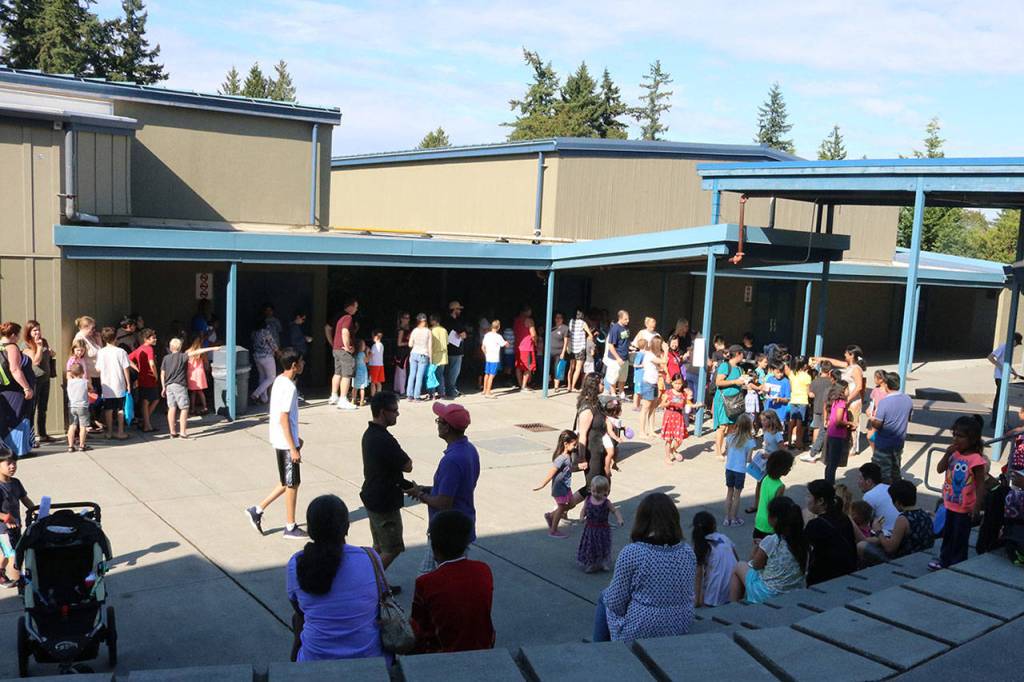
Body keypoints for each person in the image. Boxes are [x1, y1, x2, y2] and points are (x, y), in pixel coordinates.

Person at [286, 494, 382, 660]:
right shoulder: (370, 557)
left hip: (314, 661)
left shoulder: (297, 562)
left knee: (298, 619)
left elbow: (298, 608)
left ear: (311, 530)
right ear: (346, 527)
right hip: (370, 660)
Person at [593, 492, 696, 641]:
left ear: (642, 519)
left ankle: (599, 650)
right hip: (680, 624)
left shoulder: (633, 553)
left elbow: (615, 603)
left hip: (643, 628)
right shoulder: (687, 552)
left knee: (605, 597)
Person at [408, 402, 480, 574]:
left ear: (447, 428)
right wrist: (428, 489)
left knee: (426, 575)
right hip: (462, 524)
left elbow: (443, 503)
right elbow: (460, 487)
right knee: (454, 576)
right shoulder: (469, 449)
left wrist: (419, 494)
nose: (437, 424)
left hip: (447, 531)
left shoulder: (452, 460)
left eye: (439, 421)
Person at [411, 510, 495, 653]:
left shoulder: (425, 582)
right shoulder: (483, 570)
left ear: (433, 547)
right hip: (483, 647)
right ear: (466, 544)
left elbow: (418, 627)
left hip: (444, 653)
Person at [246, 349, 307, 540]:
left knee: (286, 481)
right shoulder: (289, 387)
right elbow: (284, 418)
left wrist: (296, 439)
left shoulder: (279, 381)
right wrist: (293, 447)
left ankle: (257, 510)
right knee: (293, 483)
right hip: (285, 442)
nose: (303, 364)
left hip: (282, 439)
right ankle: (290, 526)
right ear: (294, 365)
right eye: (301, 361)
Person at [360, 390, 412, 586]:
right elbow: (407, 465)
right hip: (384, 502)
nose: (397, 414)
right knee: (392, 547)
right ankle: (370, 584)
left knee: (379, 546)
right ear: (383, 412)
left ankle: (374, 581)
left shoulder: (369, 434)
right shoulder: (384, 439)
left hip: (372, 497)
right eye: (394, 410)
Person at [930, 415, 987, 570]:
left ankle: (957, 562)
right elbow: (940, 469)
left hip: (965, 507)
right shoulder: (954, 455)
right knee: (948, 534)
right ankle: (944, 559)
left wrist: (977, 506)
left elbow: (981, 484)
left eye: (960, 436)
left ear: (972, 439)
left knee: (960, 536)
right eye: (954, 435)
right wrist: (947, 454)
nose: (955, 439)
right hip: (950, 503)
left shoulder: (976, 459)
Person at [730, 496, 806, 603]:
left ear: (774, 519)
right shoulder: (803, 539)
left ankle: (733, 605)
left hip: (767, 593)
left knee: (739, 566)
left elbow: (756, 565)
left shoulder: (772, 540)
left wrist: (756, 549)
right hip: (794, 589)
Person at [858, 479, 934, 565]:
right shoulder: (925, 514)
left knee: (862, 546)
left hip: (904, 561)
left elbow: (890, 548)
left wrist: (878, 531)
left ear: (897, 502)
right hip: (922, 555)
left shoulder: (903, 519)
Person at [812, 346, 866, 452]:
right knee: (845, 420)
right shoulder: (849, 366)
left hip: (853, 400)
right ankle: (847, 446)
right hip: (845, 397)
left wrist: (848, 399)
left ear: (852, 355)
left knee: (853, 422)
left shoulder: (856, 369)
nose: (844, 355)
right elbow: (835, 362)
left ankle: (852, 449)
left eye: (846, 353)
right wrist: (820, 359)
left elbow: (859, 386)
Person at [804, 480, 857, 586]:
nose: (806, 499)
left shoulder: (815, 525)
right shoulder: (844, 518)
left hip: (823, 579)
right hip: (847, 574)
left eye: (809, 496)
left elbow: (804, 551)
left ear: (820, 501)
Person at [534, 430, 584, 537]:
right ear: (566, 444)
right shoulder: (561, 458)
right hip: (559, 488)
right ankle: (553, 531)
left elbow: (569, 468)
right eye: (574, 444)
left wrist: (579, 467)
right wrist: (543, 484)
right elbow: (551, 473)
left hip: (566, 487)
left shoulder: (568, 455)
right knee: (561, 508)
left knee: (572, 504)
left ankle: (551, 515)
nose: (575, 447)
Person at [867, 371, 914, 484]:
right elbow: (909, 418)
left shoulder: (885, 402)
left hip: (884, 444)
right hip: (898, 443)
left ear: (887, 385)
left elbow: (878, 424)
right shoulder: (908, 399)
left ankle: (884, 492)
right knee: (895, 471)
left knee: (881, 474)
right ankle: (897, 491)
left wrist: (871, 418)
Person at [0, 452, 35, 588]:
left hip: (16, 526)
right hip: (3, 529)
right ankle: (20, 582)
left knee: (7, 552)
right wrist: (4, 517)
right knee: (14, 554)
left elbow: (24, 499)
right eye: (8, 463)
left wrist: (35, 509)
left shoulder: (15, 482)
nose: (12, 466)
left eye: (14, 463)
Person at [577, 475, 624, 571]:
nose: (595, 494)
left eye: (599, 492)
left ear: (605, 492)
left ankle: (603, 562)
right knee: (591, 546)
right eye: (593, 491)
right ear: (591, 489)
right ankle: (591, 563)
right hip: (590, 529)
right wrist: (581, 517)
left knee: (603, 546)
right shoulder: (588, 499)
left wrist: (619, 519)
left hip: (602, 529)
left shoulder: (606, 502)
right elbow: (584, 509)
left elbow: (615, 510)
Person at [692, 511, 738, 607]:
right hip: (735, 589)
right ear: (714, 525)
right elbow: (737, 559)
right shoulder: (724, 538)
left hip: (715, 594)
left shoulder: (702, 545)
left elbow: (698, 575)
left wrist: (697, 600)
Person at [95, 327, 131, 440]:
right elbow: (126, 368)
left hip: (107, 385)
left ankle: (109, 432)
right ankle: (120, 431)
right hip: (119, 384)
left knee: (108, 409)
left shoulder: (101, 352)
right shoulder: (121, 352)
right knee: (120, 409)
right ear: (115, 338)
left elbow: (98, 369)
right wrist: (128, 383)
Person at [713, 345, 748, 460]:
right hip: (724, 400)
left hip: (735, 400)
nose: (743, 356)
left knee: (732, 426)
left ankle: (729, 449)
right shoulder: (725, 366)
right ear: (737, 354)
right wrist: (735, 381)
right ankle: (718, 452)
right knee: (722, 426)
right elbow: (718, 382)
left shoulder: (739, 369)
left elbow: (741, 383)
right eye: (742, 354)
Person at [22, 321, 54, 445]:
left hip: (45, 379)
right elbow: (35, 361)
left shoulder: (44, 341)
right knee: (32, 409)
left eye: (39, 330)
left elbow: (48, 356)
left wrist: (51, 352)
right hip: (34, 380)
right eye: (34, 330)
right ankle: (31, 438)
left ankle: (43, 434)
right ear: (29, 332)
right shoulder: (26, 345)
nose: (38, 332)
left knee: (43, 408)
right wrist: (39, 347)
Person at [754, 449, 794, 545]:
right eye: (789, 467)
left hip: (759, 519)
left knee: (757, 545)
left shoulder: (765, 478)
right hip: (770, 523)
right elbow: (777, 507)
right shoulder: (780, 486)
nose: (789, 469)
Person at [575, 374, 608, 488]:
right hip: (592, 453)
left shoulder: (596, 402)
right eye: (602, 384)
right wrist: (582, 457)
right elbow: (582, 435)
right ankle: (568, 500)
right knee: (592, 487)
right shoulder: (587, 408)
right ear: (594, 385)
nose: (603, 386)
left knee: (602, 486)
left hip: (600, 450)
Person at [724, 414, 756, 527]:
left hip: (729, 467)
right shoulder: (750, 441)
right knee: (737, 495)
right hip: (740, 470)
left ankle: (727, 518)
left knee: (729, 493)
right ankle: (733, 518)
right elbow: (748, 459)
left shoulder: (730, 437)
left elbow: (726, 452)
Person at [330, 298, 360, 410]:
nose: (356, 309)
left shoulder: (340, 317)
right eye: (356, 307)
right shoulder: (348, 317)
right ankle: (343, 399)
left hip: (336, 348)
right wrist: (347, 347)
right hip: (344, 350)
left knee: (337, 372)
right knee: (347, 374)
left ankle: (334, 396)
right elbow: (345, 332)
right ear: (350, 306)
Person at [802, 361, 834, 463]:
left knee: (816, 427)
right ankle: (819, 448)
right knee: (824, 429)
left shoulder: (815, 381)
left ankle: (814, 446)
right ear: (830, 371)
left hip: (817, 407)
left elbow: (811, 395)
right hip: (828, 408)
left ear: (821, 369)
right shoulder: (831, 382)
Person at [988, 332, 1023, 426]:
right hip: (999, 377)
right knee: (999, 398)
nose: (1016, 346)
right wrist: (1000, 367)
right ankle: (994, 421)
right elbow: (990, 357)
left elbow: (1006, 362)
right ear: (1014, 341)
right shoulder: (1003, 347)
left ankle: (1001, 420)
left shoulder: (1010, 349)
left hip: (1004, 376)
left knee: (1003, 398)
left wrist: (1013, 371)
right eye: (1017, 343)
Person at [857, 462, 900, 538]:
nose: (858, 482)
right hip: (901, 531)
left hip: (888, 535)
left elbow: (861, 521)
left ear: (869, 481)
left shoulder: (868, 496)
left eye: (860, 478)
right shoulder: (889, 487)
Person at [128, 329, 160, 432]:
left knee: (145, 401)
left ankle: (146, 423)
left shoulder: (139, 349)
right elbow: (152, 363)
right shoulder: (149, 349)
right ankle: (146, 423)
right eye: (153, 338)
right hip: (150, 378)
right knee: (155, 399)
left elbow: (127, 358)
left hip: (142, 378)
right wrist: (156, 375)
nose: (155, 339)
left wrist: (137, 369)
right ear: (146, 339)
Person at [824, 383, 855, 485]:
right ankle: (830, 484)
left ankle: (827, 482)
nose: (849, 391)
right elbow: (838, 421)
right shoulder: (841, 403)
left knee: (830, 463)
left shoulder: (834, 401)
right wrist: (850, 423)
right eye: (847, 389)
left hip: (831, 434)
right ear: (843, 390)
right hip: (837, 435)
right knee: (833, 463)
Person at [160, 338, 191, 439]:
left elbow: (162, 374)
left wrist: (163, 387)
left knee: (172, 407)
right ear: (180, 347)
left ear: (170, 347)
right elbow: (196, 352)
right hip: (179, 385)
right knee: (184, 408)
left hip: (169, 385)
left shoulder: (166, 358)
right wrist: (213, 348)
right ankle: (183, 432)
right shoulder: (183, 356)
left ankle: (172, 432)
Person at [660, 374, 692, 463]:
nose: (677, 385)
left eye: (679, 383)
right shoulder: (668, 392)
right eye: (676, 383)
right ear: (672, 383)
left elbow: (687, 404)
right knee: (669, 439)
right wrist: (666, 404)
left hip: (679, 417)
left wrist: (691, 400)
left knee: (679, 439)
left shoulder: (683, 394)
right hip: (669, 416)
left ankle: (672, 450)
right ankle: (667, 457)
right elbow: (661, 405)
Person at [639, 336, 666, 437]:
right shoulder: (650, 355)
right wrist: (666, 350)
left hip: (654, 383)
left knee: (653, 407)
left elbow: (659, 366)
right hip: (648, 383)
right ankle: (642, 431)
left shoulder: (653, 355)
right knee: (645, 407)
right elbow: (664, 361)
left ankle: (651, 430)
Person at [186, 335, 220, 416]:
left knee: (193, 392)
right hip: (200, 372)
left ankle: (192, 408)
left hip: (191, 373)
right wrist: (207, 371)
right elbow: (206, 363)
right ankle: (205, 407)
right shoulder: (202, 353)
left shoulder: (187, 351)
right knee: (200, 391)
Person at [250, 320, 279, 405]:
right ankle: (255, 394)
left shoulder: (254, 333)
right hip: (267, 356)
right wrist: (278, 352)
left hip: (257, 356)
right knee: (271, 377)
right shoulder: (265, 332)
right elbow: (272, 343)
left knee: (262, 377)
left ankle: (264, 399)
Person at [785, 358, 812, 448]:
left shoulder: (792, 374)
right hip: (803, 400)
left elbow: (791, 388)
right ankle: (798, 442)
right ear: (804, 365)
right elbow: (808, 392)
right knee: (799, 423)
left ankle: (789, 441)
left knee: (792, 421)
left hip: (793, 399)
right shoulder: (807, 376)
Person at [603, 310, 631, 397]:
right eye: (625, 319)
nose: (628, 321)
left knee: (623, 377)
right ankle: (613, 393)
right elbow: (611, 345)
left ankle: (621, 392)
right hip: (615, 359)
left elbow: (625, 341)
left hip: (625, 357)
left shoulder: (626, 328)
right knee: (613, 377)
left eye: (628, 319)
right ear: (620, 318)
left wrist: (630, 347)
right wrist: (618, 358)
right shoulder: (615, 329)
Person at [406, 314, 433, 401]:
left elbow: (410, 344)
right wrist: (431, 358)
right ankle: (416, 396)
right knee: (419, 376)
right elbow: (430, 346)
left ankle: (409, 395)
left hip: (414, 353)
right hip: (423, 354)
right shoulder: (428, 331)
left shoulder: (414, 331)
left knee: (412, 375)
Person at [65, 363, 91, 452]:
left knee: (72, 425)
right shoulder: (85, 382)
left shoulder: (69, 382)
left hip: (72, 406)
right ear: (83, 372)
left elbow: (68, 374)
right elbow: (90, 388)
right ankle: (82, 445)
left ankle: (70, 446)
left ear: (71, 373)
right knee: (83, 426)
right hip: (82, 406)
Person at [445, 301, 468, 398]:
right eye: (458, 309)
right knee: (454, 372)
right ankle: (451, 391)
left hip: (448, 350)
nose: (460, 311)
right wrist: (463, 334)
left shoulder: (445, 321)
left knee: (448, 372)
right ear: (454, 310)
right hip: (456, 351)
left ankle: (448, 390)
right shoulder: (455, 322)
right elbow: (463, 334)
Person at [566, 308, 592, 392]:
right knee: (578, 368)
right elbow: (590, 335)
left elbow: (569, 334)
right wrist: (589, 340)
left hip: (571, 347)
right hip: (580, 348)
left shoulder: (571, 322)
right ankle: (573, 386)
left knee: (571, 368)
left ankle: (569, 386)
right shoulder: (583, 323)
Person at [513, 305, 538, 390]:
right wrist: (536, 342)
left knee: (518, 367)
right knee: (528, 367)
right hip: (527, 347)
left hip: (518, 346)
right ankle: (524, 386)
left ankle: (520, 385)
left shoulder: (516, 320)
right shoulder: (529, 320)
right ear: (527, 311)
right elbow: (533, 334)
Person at [480, 320, 507, 399]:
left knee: (486, 374)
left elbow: (482, 347)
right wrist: (506, 343)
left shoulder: (487, 335)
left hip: (488, 357)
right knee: (492, 375)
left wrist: (486, 354)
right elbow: (503, 344)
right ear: (498, 327)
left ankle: (484, 390)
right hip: (494, 358)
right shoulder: (498, 336)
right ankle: (488, 392)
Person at [428, 314, 449, 400]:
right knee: (440, 375)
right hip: (443, 356)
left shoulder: (431, 330)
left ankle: (432, 394)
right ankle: (442, 393)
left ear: (433, 321)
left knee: (431, 375)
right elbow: (447, 343)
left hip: (433, 355)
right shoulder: (444, 330)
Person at [549, 312, 570, 392]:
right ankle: (549, 383)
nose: (558, 319)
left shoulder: (565, 328)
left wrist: (563, 352)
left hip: (559, 352)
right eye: (556, 317)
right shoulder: (551, 327)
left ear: (562, 319)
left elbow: (566, 341)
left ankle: (556, 387)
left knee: (558, 368)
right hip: (550, 351)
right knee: (549, 368)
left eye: (560, 317)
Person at [393, 312, 411, 396]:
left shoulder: (405, 329)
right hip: (402, 353)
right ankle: (402, 390)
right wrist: (409, 343)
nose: (407, 320)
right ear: (401, 319)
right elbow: (399, 343)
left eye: (408, 318)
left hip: (403, 352)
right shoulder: (401, 330)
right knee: (401, 372)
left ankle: (397, 388)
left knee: (399, 371)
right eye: (406, 318)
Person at [351, 339, 370, 407]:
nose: (365, 346)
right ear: (361, 347)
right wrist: (367, 353)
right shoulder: (362, 354)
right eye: (364, 345)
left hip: (356, 372)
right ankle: (361, 401)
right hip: (362, 373)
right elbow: (367, 361)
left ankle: (353, 400)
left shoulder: (355, 354)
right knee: (362, 388)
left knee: (355, 388)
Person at [368, 330, 385, 398]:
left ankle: (373, 396)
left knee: (373, 382)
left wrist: (367, 354)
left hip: (374, 365)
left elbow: (371, 355)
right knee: (378, 382)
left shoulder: (374, 346)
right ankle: (379, 395)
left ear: (375, 337)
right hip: (380, 365)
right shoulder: (381, 345)